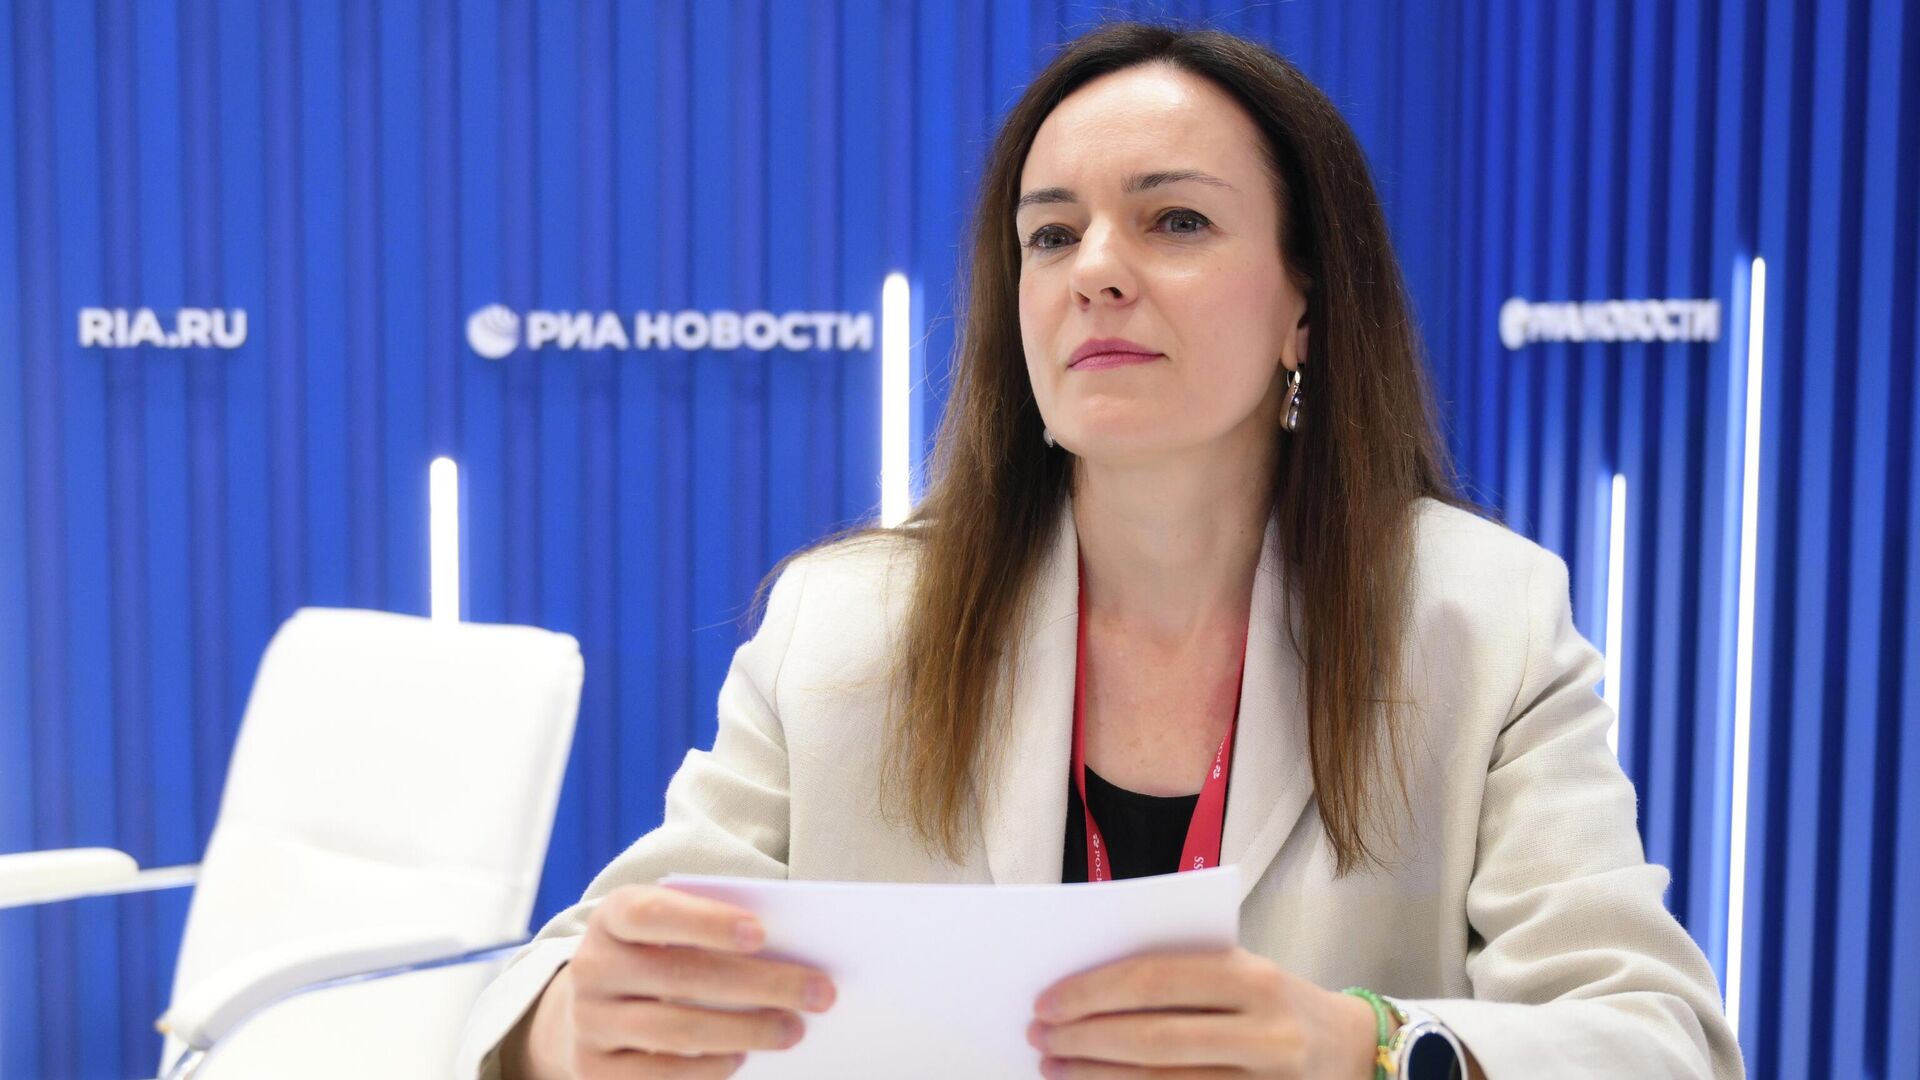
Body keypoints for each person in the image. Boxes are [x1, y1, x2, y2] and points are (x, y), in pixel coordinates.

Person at [458, 21, 1742, 1080]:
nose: (1098, 272)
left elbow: (1659, 1042)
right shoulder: (843, 625)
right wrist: (568, 1034)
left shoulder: (1483, 617)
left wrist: (1364, 1046)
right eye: (1053, 234)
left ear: (1304, 306)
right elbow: (573, 975)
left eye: (1175, 221)